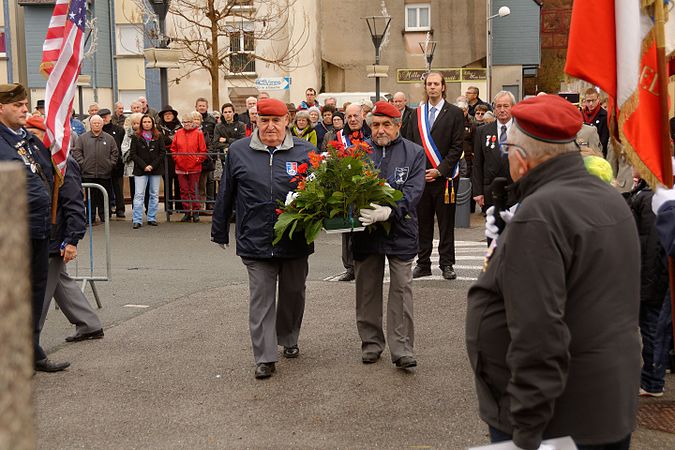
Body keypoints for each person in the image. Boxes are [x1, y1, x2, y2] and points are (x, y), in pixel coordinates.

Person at [466, 94, 641, 450]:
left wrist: (526, 431)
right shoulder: (606, 197)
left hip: (557, 421)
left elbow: (538, 334)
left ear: (523, 157)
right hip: (603, 406)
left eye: (508, 147)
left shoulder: (541, 214)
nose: (506, 155)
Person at [211, 98, 314, 380]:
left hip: (295, 238)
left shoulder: (306, 151)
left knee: (293, 294)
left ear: (287, 122)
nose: (270, 126)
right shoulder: (238, 151)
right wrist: (219, 231)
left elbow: (320, 194)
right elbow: (226, 194)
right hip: (254, 238)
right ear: (255, 121)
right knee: (261, 299)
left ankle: (289, 337)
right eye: (264, 120)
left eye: (276, 121)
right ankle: (265, 356)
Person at [0, 83, 69, 372]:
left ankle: (32, 349)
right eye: (18, 106)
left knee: (35, 289)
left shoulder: (26, 138)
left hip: (38, 226)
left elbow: (45, 171)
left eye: (25, 104)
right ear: (1, 108)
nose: (25, 109)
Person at [352, 101, 425, 368]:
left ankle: (403, 347)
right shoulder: (357, 152)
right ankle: (371, 343)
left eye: (386, 125)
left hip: (401, 231)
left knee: (401, 290)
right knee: (367, 289)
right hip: (365, 232)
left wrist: (390, 210)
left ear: (397, 126)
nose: (380, 130)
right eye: (375, 125)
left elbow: (414, 191)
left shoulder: (414, 153)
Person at [403, 71, 464, 280]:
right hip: (421, 178)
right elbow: (409, 145)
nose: (432, 87)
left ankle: (447, 264)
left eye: (436, 84)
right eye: (429, 84)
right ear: (426, 87)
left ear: (443, 87)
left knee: (446, 224)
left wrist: (439, 170)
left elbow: (457, 147)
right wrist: (420, 172)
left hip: (445, 178)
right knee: (423, 223)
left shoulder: (455, 113)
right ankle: (423, 263)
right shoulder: (415, 114)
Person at [38, 156, 104, 343]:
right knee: (59, 281)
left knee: (39, 288)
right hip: (46, 233)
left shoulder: (62, 162)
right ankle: (89, 323)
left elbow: (74, 201)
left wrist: (72, 239)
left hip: (53, 235)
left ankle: (27, 338)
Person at [627, 168, 669, 397]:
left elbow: (652, 242)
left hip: (650, 274)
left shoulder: (652, 197)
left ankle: (653, 381)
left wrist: (647, 280)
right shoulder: (648, 193)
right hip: (649, 272)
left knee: (651, 325)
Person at [337, 103, 372, 282]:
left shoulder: (371, 134)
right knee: (347, 226)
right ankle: (349, 266)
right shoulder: (337, 136)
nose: (352, 119)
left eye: (355, 115)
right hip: (346, 186)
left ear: (363, 115)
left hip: (367, 185)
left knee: (365, 224)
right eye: (349, 117)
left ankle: (365, 264)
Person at [471, 91, 516, 213]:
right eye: (498, 106)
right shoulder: (482, 131)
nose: (502, 110)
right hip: (490, 191)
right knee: (493, 230)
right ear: (494, 109)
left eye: (506, 106)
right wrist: (478, 192)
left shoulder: (522, 130)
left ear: (513, 107)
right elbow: (477, 163)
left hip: (516, 191)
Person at [72, 115, 119, 224]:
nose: (97, 125)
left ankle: (105, 216)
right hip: (88, 174)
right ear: (90, 124)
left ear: (102, 124)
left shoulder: (109, 138)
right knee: (90, 198)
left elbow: (115, 153)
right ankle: (90, 217)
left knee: (104, 196)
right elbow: (77, 152)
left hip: (105, 173)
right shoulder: (83, 138)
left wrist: (110, 165)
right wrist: (82, 164)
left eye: (99, 123)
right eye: (94, 123)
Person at [129, 114, 166, 229]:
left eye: (149, 122)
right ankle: (137, 219)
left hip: (155, 169)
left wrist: (152, 165)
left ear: (153, 123)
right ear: (141, 124)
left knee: (154, 194)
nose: (147, 124)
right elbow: (133, 154)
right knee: (139, 194)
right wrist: (144, 166)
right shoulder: (136, 136)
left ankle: (152, 217)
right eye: (144, 122)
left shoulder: (158, 136)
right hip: (140, 169)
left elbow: (162, 153)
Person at [171, 112, 207, 222]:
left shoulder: (198, 133)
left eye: (189, 122)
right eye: (184, 122)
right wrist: (177, 158)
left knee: (194, 190)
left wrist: (197, 160)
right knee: (184, 190)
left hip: (194, 167)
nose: (186, 124)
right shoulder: (178, 133)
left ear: (193, 122)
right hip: (180, 167)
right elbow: (173, 149)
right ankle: (186, 211)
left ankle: (195, 212)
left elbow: (203, 151)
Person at [99, 108, 127, 218]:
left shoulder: (119, 130)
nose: (104, 119)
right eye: (102, 117)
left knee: (118, 188)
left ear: (110, 117)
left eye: (106, 116)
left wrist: (118, 160)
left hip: (117, 164)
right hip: (103, 165)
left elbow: (121, 147)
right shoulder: (99, 131)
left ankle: (120, 209)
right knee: (105, 189)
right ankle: (107, 211)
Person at [157, 106, 182, 212]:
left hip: (177, 158)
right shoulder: (159, 127)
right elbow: (161, 140)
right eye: (165, 114)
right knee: (167, 182)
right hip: (165, 159)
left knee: (178, 183)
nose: (168, 116)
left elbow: (180, 141)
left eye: (170, 114)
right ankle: (168, 207)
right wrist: (172, 140)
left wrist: (169, 140)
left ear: (174, 115)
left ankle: (179, 206)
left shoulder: (179, 127)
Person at [196, 98, 217, 211]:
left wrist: (210, 152)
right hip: (198, 155)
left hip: (209, 154)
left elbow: (214, 137)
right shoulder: (193, 118)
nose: (202, 107)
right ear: (196, 107)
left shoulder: (212, 120)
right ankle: (200, 203)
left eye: (203, 105)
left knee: (210, 179)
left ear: (207, 107)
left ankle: (210, 202)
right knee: (199, 181)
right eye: (200, 105)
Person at [581, 87, 609, 157]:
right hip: (582, 153)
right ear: (585, 101)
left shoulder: (604, 116)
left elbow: (604, 140)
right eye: (588, 101)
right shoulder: (580, 115)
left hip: (597, 153)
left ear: (598, 99)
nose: (590, 104)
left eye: (593, 100)